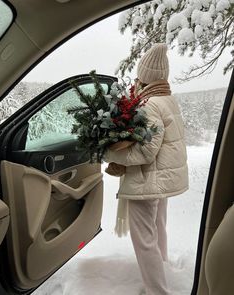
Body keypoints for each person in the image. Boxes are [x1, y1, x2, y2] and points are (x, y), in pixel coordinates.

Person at [104, 43, 189, 295]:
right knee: (157, 228)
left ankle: (157, 291)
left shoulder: (150, 104)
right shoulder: (168, 99)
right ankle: (163, 271)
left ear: (145, 75)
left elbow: (145, 151)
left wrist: (109, 151)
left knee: (144, 240)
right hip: (160, 179)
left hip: (148, 180)